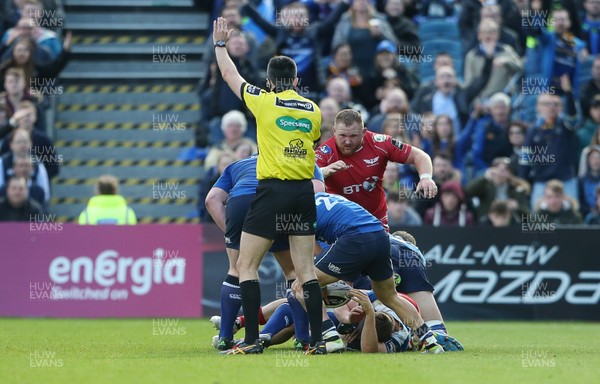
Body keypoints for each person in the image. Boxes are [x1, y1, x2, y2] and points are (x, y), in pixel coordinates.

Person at [212, 17, 325, 355]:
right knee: (305, 271)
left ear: (269, 81)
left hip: (272, 190)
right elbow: (312, 141)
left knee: (246, 266)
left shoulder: (263, 101)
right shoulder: (314, 109)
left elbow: (231, 76)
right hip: (304, 192)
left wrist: (220, 45)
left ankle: (249, 342)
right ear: (295, 80)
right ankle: (318, 341)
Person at [204, 154, 341, 351]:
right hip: (282, 203)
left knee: (238, 269)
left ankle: (226, 336)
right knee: (296, 272)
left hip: (240, 201)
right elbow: (318, 192)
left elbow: (212, 200)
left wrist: (237, 234)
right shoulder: (303, 161)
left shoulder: (237, 165)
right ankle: (303, 338)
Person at [301, 192, 444, 353]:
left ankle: (330, 337)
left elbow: (312, 256)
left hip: (355, 238)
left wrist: (320, 286)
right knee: (390, 296)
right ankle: (429, 340)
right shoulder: (325, 197)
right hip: (381, 235)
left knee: (300, 286)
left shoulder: (295, 209)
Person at [316, 109, 437, 231]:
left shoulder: (380, 143)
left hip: (375, 219)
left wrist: (426, 178)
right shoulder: (324, 152)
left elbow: (420, 156)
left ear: (363, 132)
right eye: (342, 135)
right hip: (339, 221)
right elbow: (306, 180)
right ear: (334, 131)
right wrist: (322, 172)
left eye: (353, 136)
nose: (347, 141)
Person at [519, 90, 579, 207]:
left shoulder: (566, 126)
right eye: (546, 104)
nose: (551, 107)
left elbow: (573, 117)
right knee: (538, 219)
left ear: (561, 108)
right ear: (538, 107)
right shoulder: (532, 131)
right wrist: (523, 181)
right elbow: (525, 158)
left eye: (556, 104)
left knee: (571, 216)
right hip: (541, 181)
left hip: (566, 179)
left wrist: (568, 94)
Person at [463, 18, 522, 100]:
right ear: (479, 35)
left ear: (498, 34)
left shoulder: (507, 50)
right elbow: (468, 82)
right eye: (484, 32)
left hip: (504, 97)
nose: (487, 36)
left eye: (491, 32)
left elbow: (520, 69)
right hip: (482, 98)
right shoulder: (472, 55)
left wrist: (507, 63)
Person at [577, 146, 600, 217]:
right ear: (588, 160)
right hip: (587, 215)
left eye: (598, 157)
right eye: (593, 158)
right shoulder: (581, 180)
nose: (596, 161)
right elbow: (580, 202)